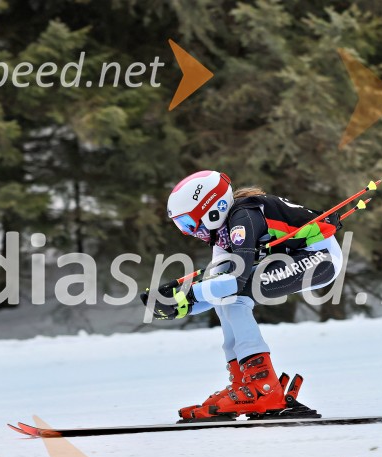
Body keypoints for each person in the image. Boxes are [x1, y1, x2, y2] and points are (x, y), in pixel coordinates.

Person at [144, 170, 344, 421]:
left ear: (212, 209)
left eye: (188, 223)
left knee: (238, 295)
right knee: (226, 300)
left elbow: (234, 281)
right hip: (298, 258)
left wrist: (189, 295)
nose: (188, 232)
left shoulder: (243, 218)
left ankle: (263, 387)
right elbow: (217, 285)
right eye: (181, 226)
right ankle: (244, 384)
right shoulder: (221, 233)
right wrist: (181, 305)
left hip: (320, 259)